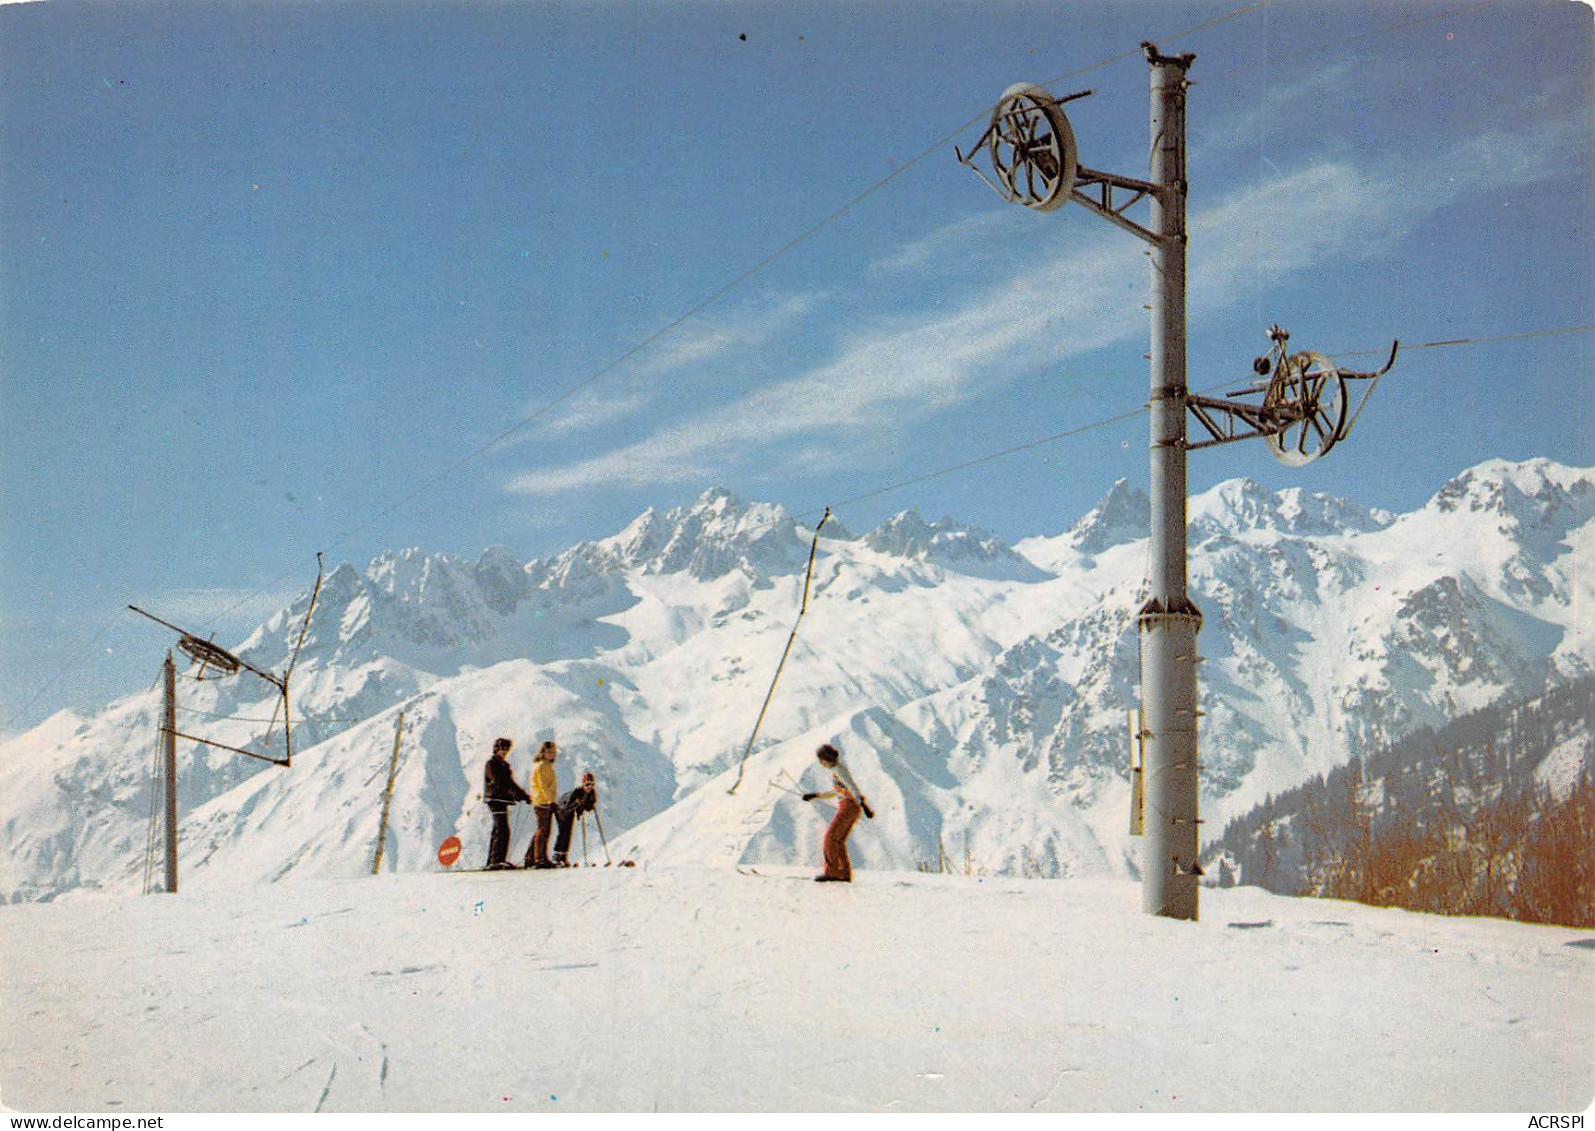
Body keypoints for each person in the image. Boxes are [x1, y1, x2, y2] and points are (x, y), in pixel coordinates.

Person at [802, 743, 874, 882]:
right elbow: (837, 792)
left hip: (849, 805)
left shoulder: (839, 770)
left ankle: (834, 872)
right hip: (850, 806)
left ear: (825, 759)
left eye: (821, 760)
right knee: (838, 840)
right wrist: (815, 795)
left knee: (830, 839)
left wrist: (864, 806)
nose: (821, 763)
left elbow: (853, 788)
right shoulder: (836, 771)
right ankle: (843, 873)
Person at [483, 737, 530, 870]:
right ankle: (496, 860)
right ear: (496, 749)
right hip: (495, 799)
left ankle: (495, 860)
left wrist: (523, 795)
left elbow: (510, 783)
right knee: (502, 828)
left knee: (499, 829)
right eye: (501, 749)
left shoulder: (504, 765)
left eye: (506, 749)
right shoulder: (491, 764)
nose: (504, 752)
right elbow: (499, 782)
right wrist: (514, 794)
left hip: (501, 800)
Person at [524, 740, 560, 869]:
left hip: (543, 801)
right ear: (543, 752)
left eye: (553, 752)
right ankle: (540, 858)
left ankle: (531, 857)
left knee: (542, 830)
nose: (551, 754)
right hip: (543, 801)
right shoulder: (542, 766)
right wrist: (551, 801)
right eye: (548, 752)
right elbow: (544, 786)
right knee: (544, 830)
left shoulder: (545, 765)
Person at [552, 772, 599, 866]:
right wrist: (576, 804)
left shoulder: (592, 794)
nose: (590, 787)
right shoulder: (577, 792)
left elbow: (588, 807)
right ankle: (557, 856)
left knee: (568, 832)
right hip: (561, 809)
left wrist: (589, 805)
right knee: (563, 831)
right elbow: (567, 806)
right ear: (583, 784)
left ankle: (563, 857)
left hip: (571, 811)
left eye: (592, 784)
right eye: (587, 784)